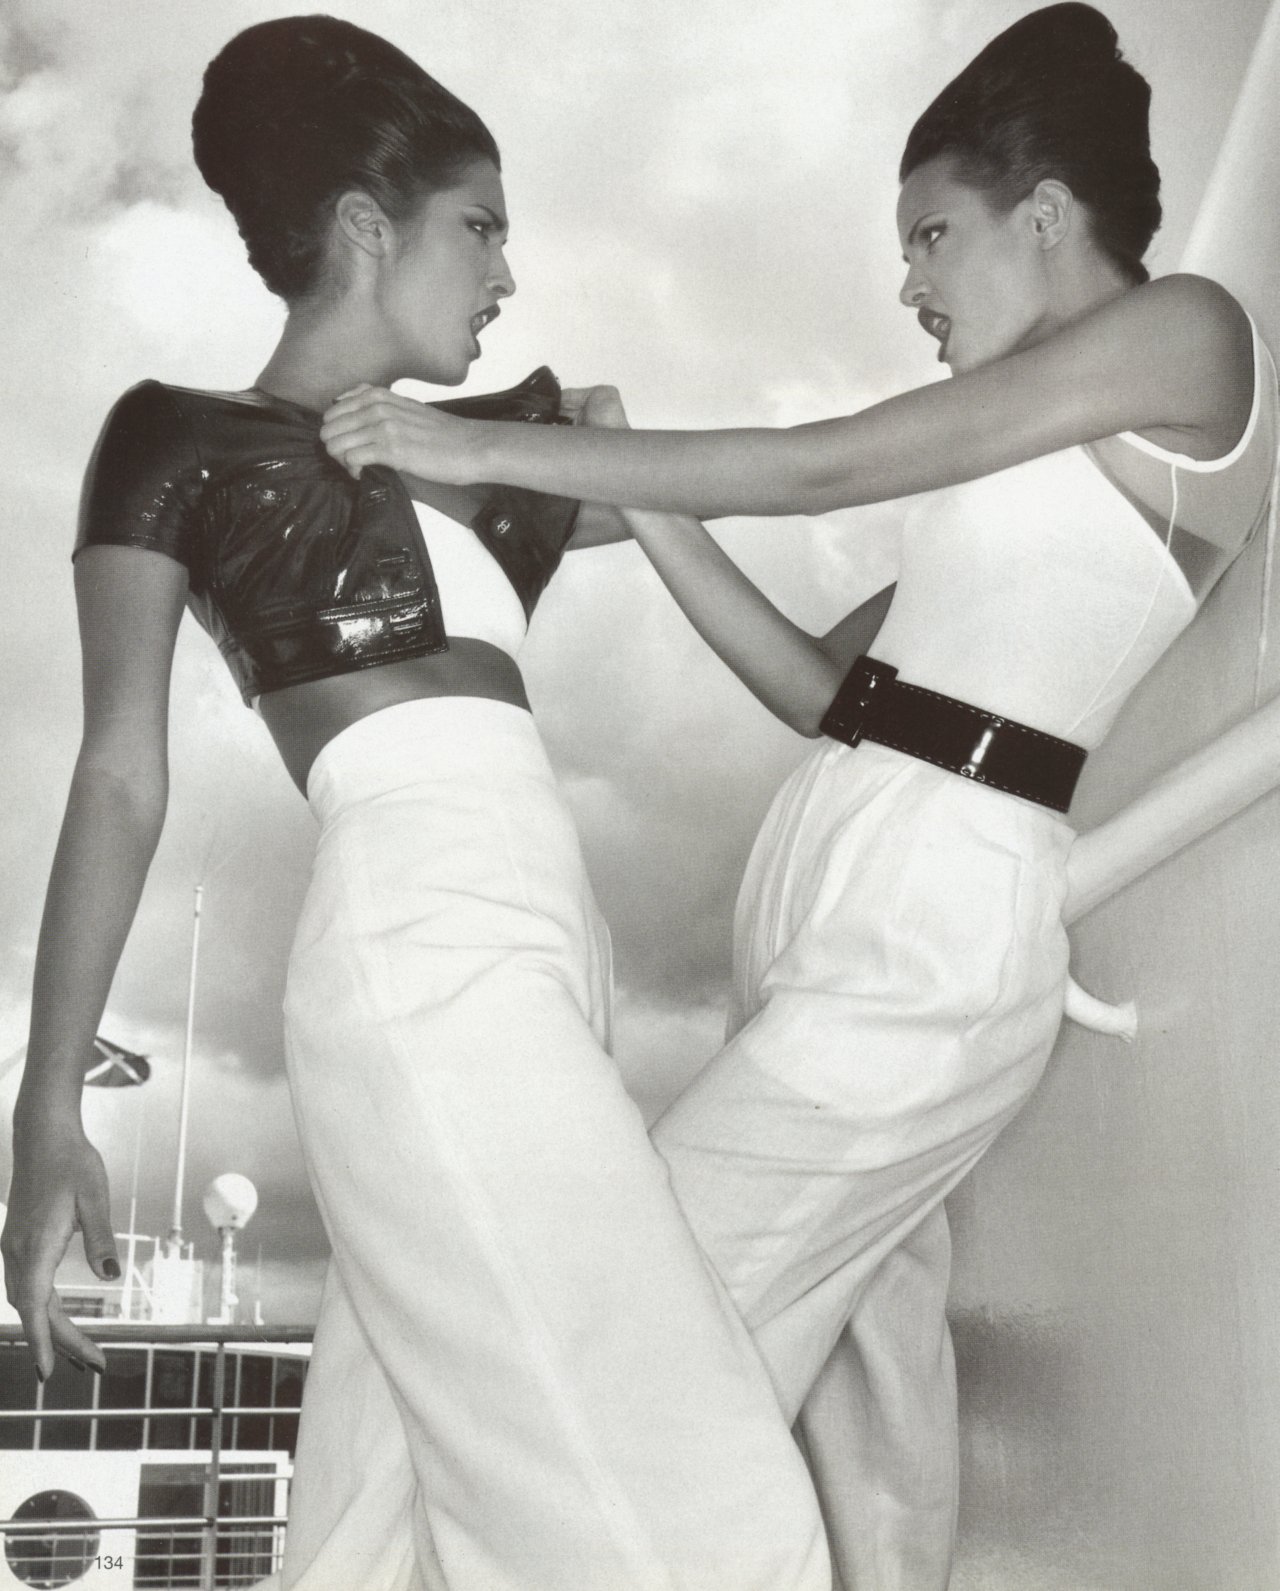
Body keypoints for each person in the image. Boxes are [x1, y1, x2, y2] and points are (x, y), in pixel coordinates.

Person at [317, 5, 1280, 1586]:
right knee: (847, 1436)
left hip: (931, 945)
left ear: (1046, 214)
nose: (910, 286)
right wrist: (619, 486)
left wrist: (484, 453)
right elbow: (820, 686)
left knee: (630, 1350)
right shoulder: (1033, 456)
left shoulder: (1188, 333)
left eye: (932, 237)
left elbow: (828, 465)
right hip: (841, 914)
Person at [0, 17, 834, 1591]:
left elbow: (784, 477)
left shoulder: (499, 456)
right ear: (369, 230)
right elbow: (118, 772)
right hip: (421, 947)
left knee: (372, 1529)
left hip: (548, 951)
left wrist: (602, 445)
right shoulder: (177, 441)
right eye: (482, 227)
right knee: (706, 1505)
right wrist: (49, 1108)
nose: (508, 272)